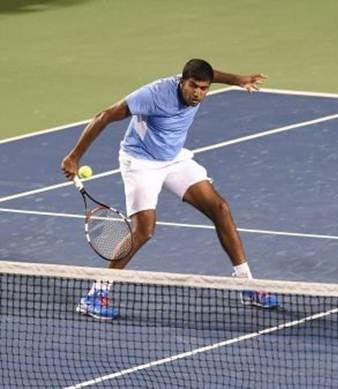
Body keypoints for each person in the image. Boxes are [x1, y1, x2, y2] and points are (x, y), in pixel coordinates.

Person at [61, 58, 279, 320]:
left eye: (204, 88)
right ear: (182, 81)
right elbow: (104, 116)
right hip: (141, 162)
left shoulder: (199, 84)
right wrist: (74, 156)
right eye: (193, 86)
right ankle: (97, 292)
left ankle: (246, 284)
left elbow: (212, 75)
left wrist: (237, 79)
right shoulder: (153, 95)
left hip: (174, 158)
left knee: (220, 208)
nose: (198, 93)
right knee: (144, 230)